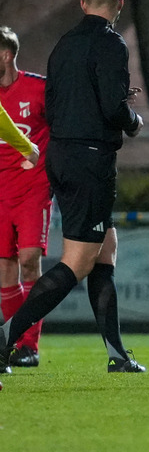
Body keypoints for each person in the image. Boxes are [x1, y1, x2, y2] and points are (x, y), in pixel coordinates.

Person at [0, 0, 145, 375]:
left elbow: (60, 101)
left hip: (61, 157)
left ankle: (118, 354)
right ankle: (7, 335)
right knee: (78, 262)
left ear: (82, 4)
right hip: (91, 159)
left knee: (104, 253)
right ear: (118, 4)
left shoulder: (63, 45)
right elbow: (113, 107)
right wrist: (132, 121)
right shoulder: (111, 44)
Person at [0, 26, 52, 368]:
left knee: (31, 259)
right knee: (5, 271)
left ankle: (30, 345)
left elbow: (65, 125)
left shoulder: (38, 88)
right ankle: (13, 342)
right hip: (1, 194)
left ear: (5, 55)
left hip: (34, 189)